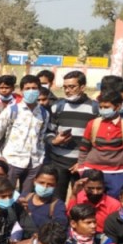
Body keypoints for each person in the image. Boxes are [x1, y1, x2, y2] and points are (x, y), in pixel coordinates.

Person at [0, 75, 48, 195]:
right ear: (21, 91)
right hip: (12, 162)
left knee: (26, 198)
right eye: (27, 88)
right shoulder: (12, 110)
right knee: (5, 194)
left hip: (34, 164)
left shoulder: (44, 113)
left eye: (34, 88)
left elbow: (41, 138)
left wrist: (40, 159)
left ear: (39, 90)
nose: (31, 91)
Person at [46, 70, 100, 201]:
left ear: (82, 87)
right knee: (56, 200)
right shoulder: (57, 107)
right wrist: (54, 141)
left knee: (80, 200)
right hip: (58, 162)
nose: (67, 90)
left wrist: (83, 162)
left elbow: (97, 140)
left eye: (72, 87)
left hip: (82, 163)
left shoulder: (95, 109)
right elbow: (48, 131)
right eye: (65, 87)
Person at [78, 90, 123, 198]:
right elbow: (84, 148)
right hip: (92, 171)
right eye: (101, 107)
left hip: (118, 174)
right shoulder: (93, 124)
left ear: (117, 106)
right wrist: (82, 169)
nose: (103, 110)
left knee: (114, 203)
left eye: (106, 107)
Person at [66, 170, 120, 234]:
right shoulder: (78, 198)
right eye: (90, 188)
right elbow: (71, 217)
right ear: (83, 186)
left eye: (99, 188)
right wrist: (74, 194)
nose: (95, 192)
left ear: (104, 187)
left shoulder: (114, 205)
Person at [23, 165, 68, 231]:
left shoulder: (58, 205)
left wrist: (30, 215)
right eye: (41, 183)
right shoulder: (24, 198)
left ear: (55, 185)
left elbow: (61, 225)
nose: (45, 187)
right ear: (34, 181)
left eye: (50, 184)